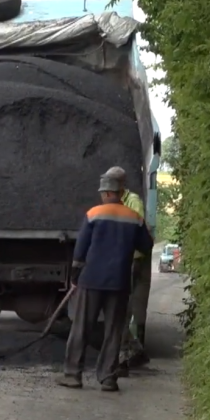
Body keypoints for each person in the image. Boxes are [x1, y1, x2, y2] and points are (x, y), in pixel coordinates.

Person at [59, 175, 153, 392]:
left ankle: (73, 375)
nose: (101, 196)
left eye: (102, 193)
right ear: (121, 193)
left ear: (109, 193)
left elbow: (81, 249)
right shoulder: (134, 217)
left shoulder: (94, 214)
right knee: (113, 331)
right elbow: (146, 245)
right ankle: (108, 378)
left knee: (81, 327)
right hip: (119, 282)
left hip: (91, 279)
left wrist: (74, 274)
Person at [102, 166, 153, 373]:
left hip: (132, 262)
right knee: (118, 310)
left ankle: (126, 355)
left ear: (121, 185)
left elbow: (133, 231)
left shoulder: (133, 202)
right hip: (122, 260)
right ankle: (130, 352)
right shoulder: (116, 201)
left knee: (123, 310)